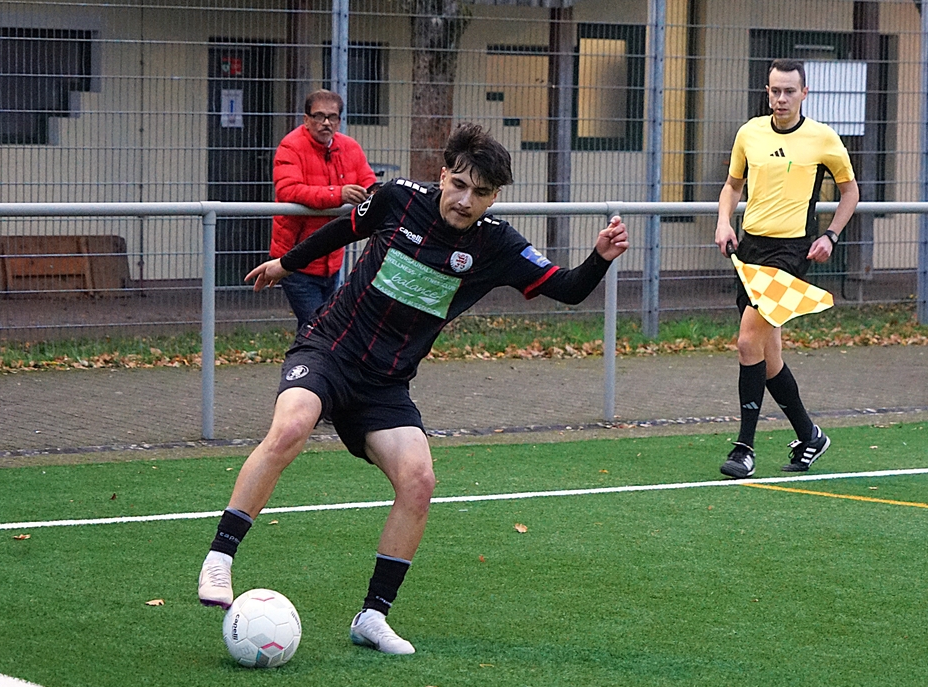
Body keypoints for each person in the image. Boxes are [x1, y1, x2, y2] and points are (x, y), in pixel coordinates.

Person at [197, 123, 629, 654]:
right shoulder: (398, 198)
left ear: (494, 197)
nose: (465, 201)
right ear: (443, 175)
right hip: (329, 349)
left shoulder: (498, 244)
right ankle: (220, 559)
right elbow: (342, 231)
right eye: (459, 185)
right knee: (291, 427)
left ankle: (372, 617)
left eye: (481, 193)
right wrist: (287, 264)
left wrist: (600, 257)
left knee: (419, 481)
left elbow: (567, 288)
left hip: (385, 384)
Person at [714, 58, 860, 479]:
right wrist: (724, 221)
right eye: (775, 91)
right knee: (768, 353)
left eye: (789, 91)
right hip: (750, 249)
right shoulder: (749, 133)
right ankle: (810, 435)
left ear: (804, 94)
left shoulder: (822, 138)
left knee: (747, 342)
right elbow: (732, 185)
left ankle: (744, 448)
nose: (781, 98)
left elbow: (850, 191)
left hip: (791, 253)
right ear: (767, 92)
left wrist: (830, 235)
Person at [271, 89, 378, 331]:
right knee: (318, 328)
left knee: (317, 330)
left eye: (332, 117)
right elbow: (289, 190)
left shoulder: (349, 147)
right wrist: (338, 194)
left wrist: (374, 193)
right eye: (319, 116)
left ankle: (305, 356)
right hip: (296, 258)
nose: (326, 122)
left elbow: (368, 181)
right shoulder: (290, 146)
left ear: (339, 121)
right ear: (306, 119)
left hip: (332, 258)